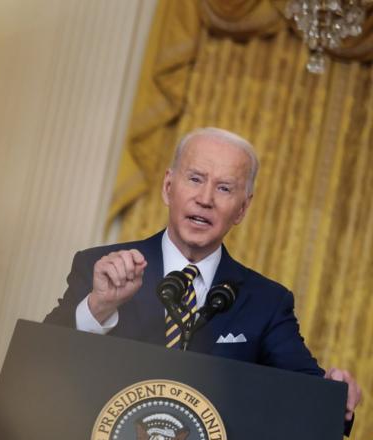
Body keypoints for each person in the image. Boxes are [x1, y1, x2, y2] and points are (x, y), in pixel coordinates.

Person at [44, 127, 361, 422]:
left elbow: (308, 390)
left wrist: (334, 391)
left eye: (224, 188)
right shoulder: (99, 266)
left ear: (242, 209)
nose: (205, 198)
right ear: (169, 188)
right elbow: (43, 359)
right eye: (195, 179)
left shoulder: (267, 301)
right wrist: (99, 307)